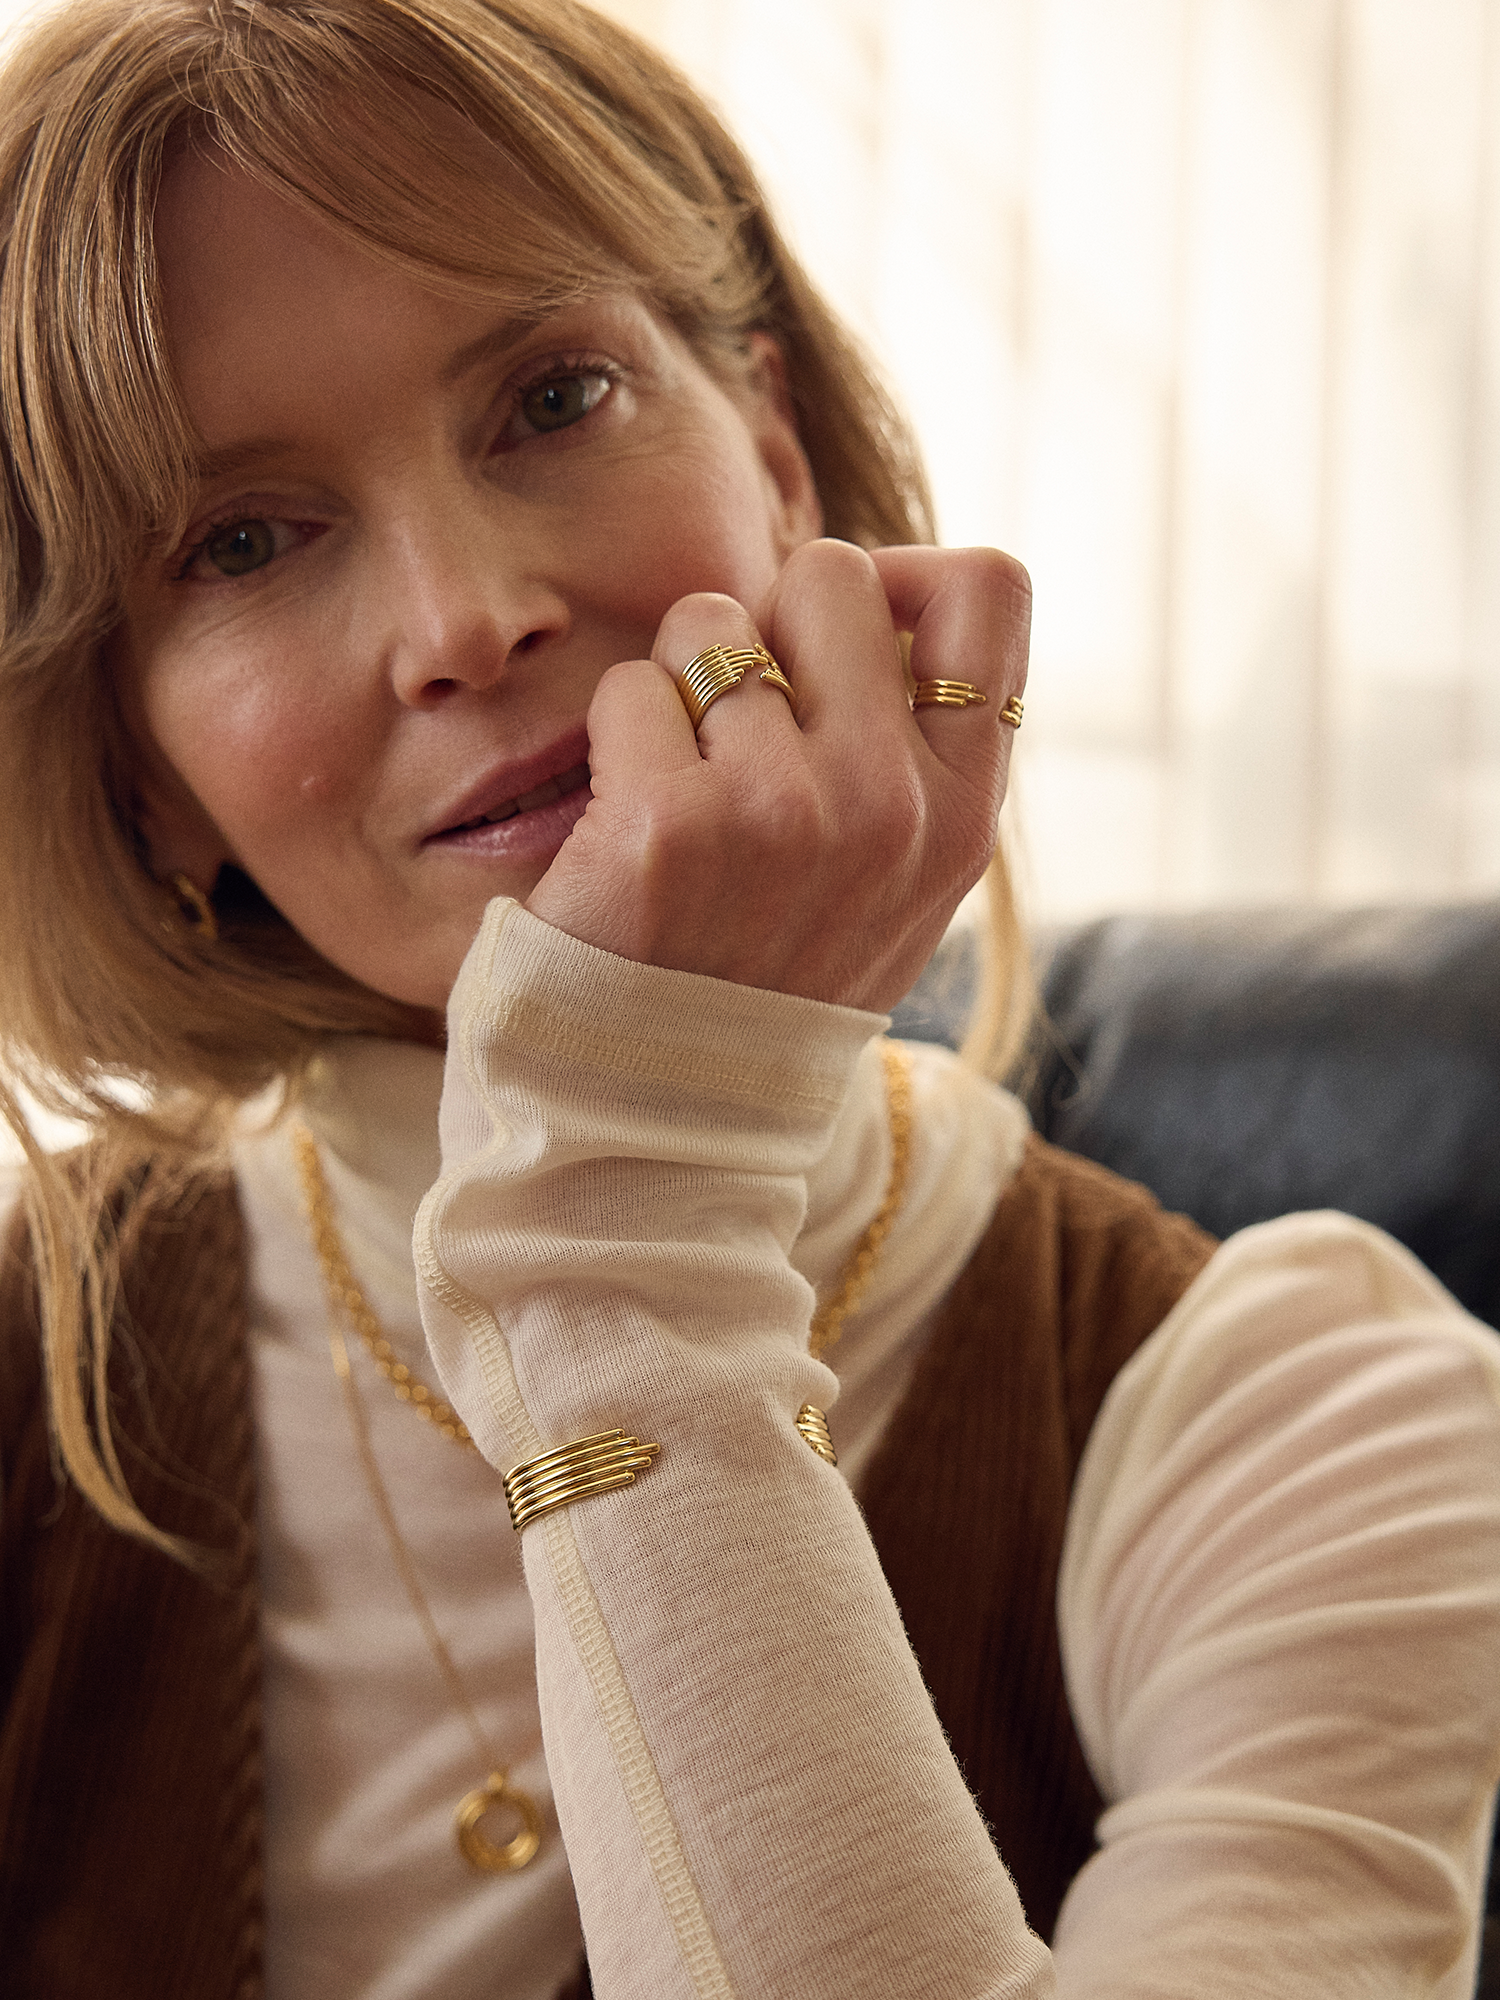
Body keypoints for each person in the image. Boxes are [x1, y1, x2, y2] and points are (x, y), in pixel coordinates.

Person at [1, 1, 1499, 1995]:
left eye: (553, 398)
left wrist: (630, 1195)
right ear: (137, 758)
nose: (466, 616)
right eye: (247, 538)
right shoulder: (36, 1371)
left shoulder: (1314, 1418)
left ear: (777, 462)